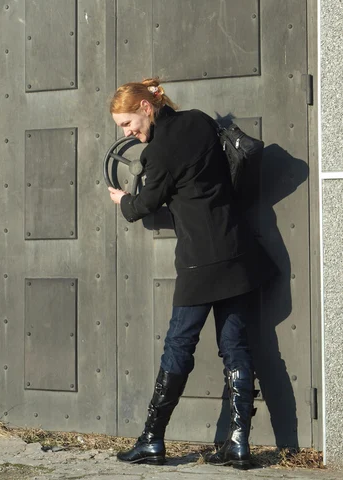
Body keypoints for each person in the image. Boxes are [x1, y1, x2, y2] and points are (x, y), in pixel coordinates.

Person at [108, 78, 262, 470]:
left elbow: (146, 203)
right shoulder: (198, 121)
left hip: (199, 260)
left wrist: (124, 200)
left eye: (128, 124)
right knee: (236, 346)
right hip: (236, 250)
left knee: (179, 346)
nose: (128, 133)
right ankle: (239, 443)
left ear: (146, 106)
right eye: (123, 130)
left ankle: (152, 439)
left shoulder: (159, 152)